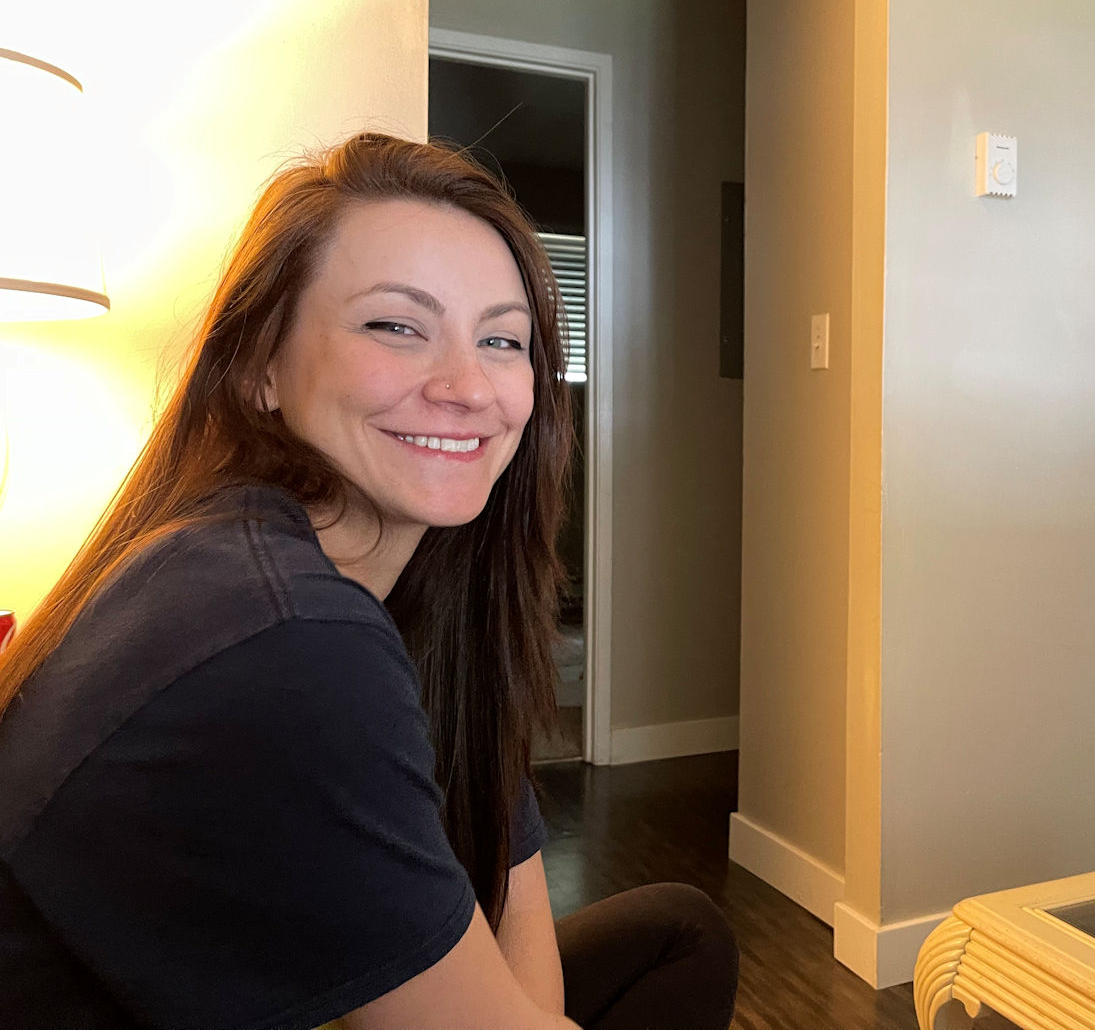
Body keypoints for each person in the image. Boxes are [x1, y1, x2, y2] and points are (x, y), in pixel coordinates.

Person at [0, 133, 739, 1030]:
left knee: (680, 934)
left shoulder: (383, 584)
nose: (469, 386)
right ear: (260, 365)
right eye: (396, 326)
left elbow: (512, 916)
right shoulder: (282, 631)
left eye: (502, 339)